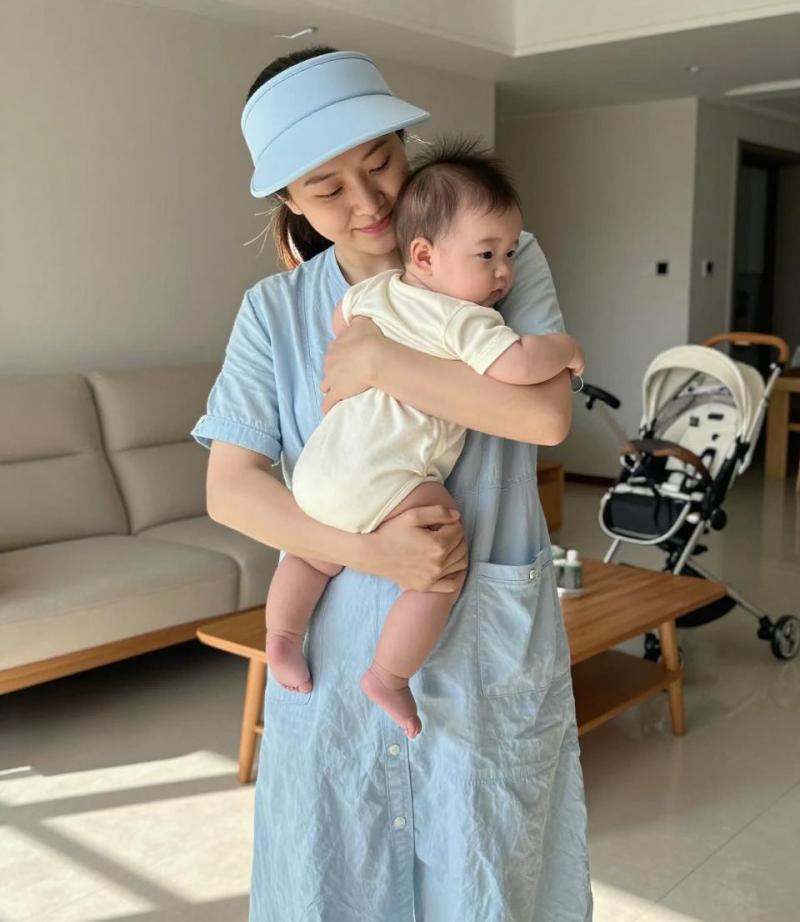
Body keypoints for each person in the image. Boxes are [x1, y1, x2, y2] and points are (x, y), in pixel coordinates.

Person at [192, 47, 593, 922]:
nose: (368, 201)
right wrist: (368, 552)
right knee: (338, 884)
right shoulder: (274, 312)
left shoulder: (500, 256)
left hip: (482, 647)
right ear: (290, 201)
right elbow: (231, 487)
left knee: (486, 884)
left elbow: (544, 417)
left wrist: (383, 364)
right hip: (335, 652)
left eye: (379, 161)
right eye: (327, 187)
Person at [265, 138, 586, 742]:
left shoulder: (374, 293)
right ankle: (388, 675)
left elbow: (340, 323)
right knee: (441, 559)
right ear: (425, 254)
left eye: (507, 255)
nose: (504, 272)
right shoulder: (467, 319)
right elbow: (518, 364)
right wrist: (564, 350)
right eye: (487, 256)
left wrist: (370, 352)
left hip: (321, 469)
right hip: (390, 478)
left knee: (307, 555)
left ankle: (282, 638)